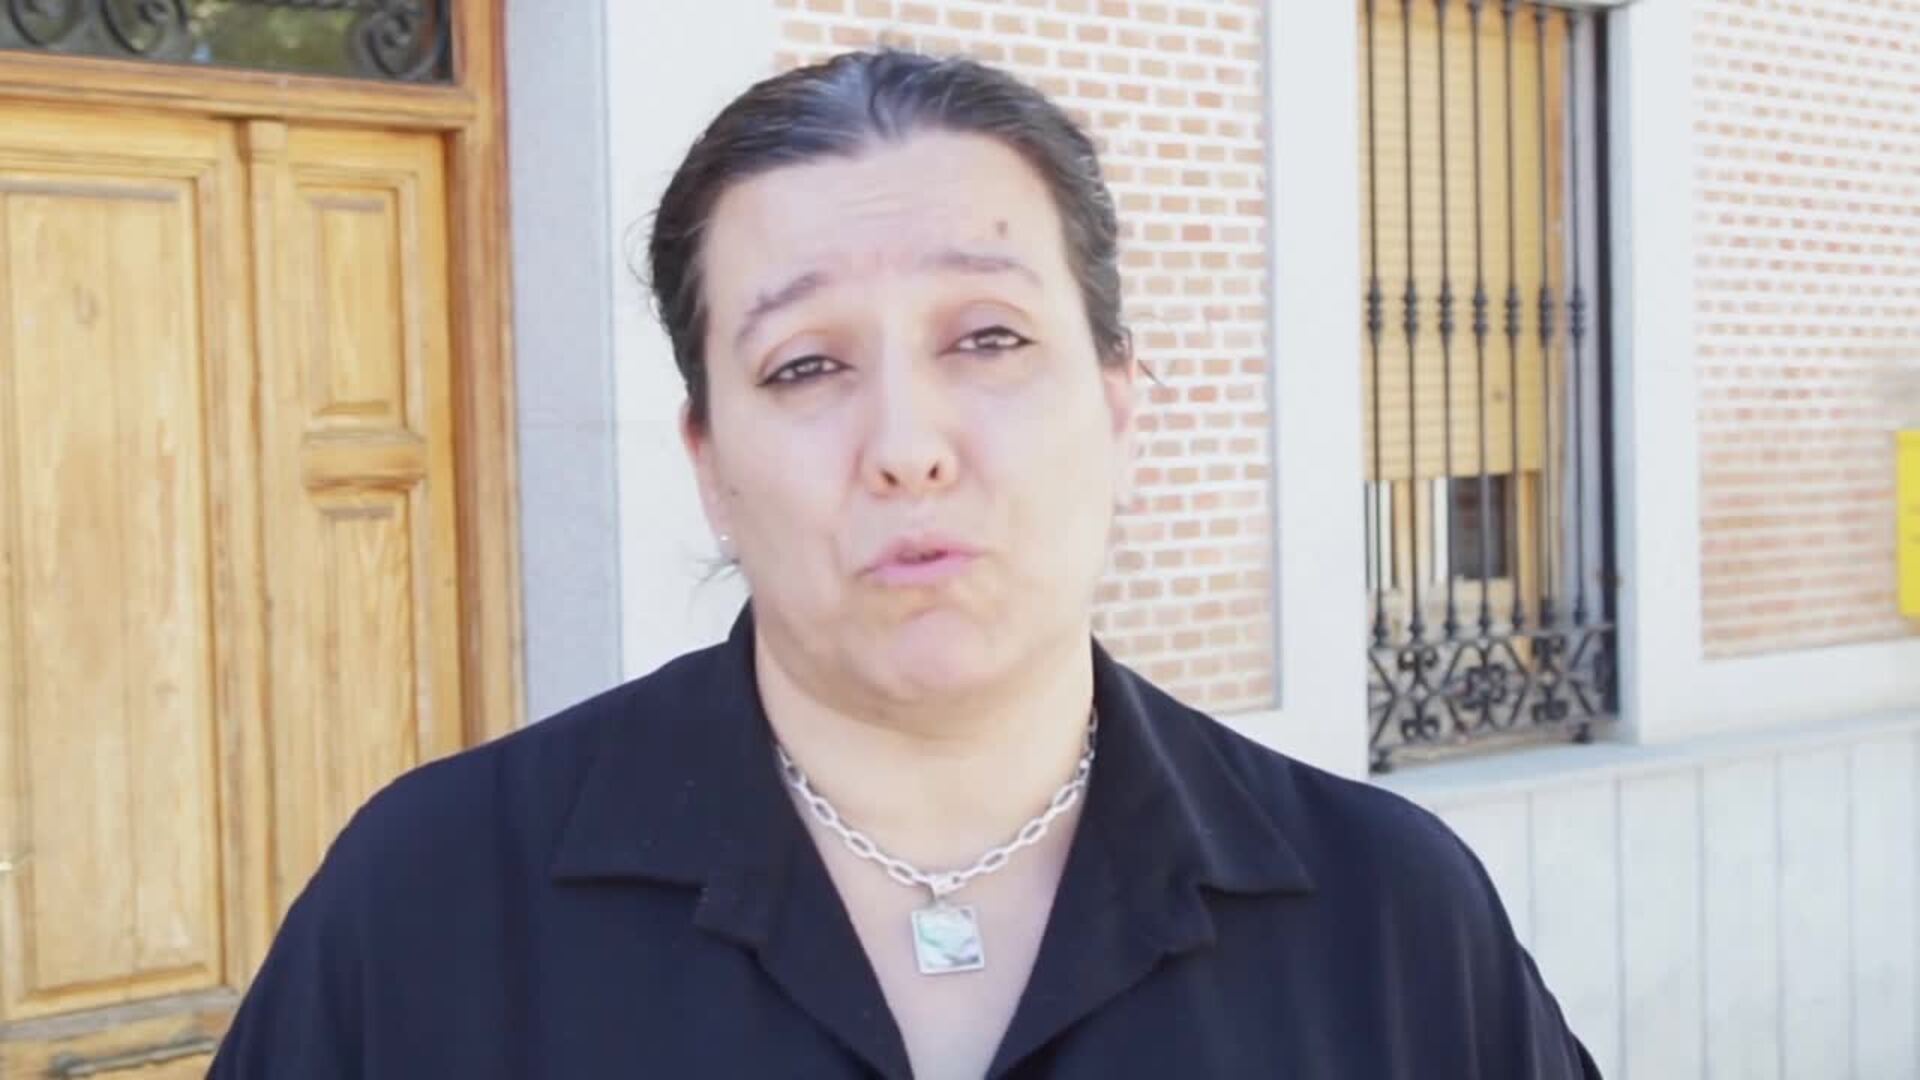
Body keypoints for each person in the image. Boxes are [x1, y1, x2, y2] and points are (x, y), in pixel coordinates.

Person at [209, 49, 1598, 1079]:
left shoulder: (1390, 919)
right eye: (805, 365)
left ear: (1121, 407)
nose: (908, 448)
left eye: (988, 339)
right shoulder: (431, 908)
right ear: (710, 462)